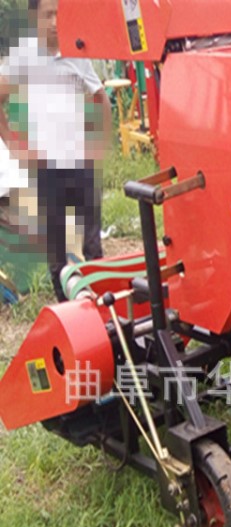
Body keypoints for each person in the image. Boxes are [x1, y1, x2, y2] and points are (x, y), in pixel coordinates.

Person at [0, 0, 111, 301]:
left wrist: (99, 146)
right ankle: (67, 309)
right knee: (57, 247)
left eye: (58, 15)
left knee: (91, 244)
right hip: (45, 168)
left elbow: (101, 98)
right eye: (47, 15)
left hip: (81, 163)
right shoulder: (23, 57)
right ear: (34, 17)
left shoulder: (76, 54)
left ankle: (103, 308)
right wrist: (12, 144)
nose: (53, 22)